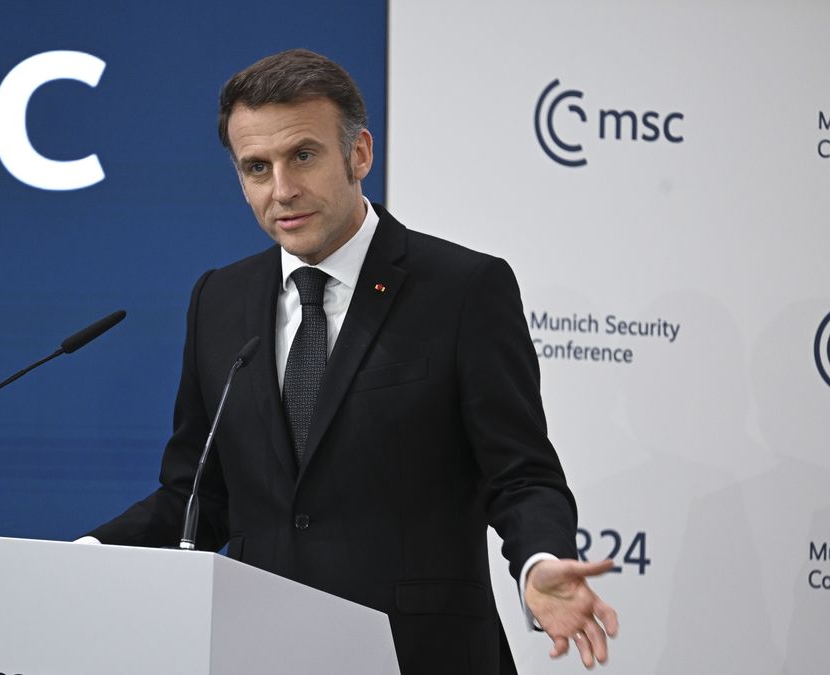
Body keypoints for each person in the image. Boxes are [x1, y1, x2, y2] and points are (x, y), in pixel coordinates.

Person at [84, 48, 618, 674]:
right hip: (261, 655)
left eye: (303, 156)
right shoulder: (218, 300)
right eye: (257, 167)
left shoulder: (463, 288)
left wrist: (541, 560)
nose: (282, 190)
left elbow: (521, 474)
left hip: (421, 656)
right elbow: (198, 497)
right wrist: (88, 557)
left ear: (359, 154)